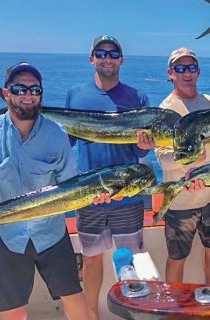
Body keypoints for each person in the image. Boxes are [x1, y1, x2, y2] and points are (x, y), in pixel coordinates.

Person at [0, 62, 88, 320]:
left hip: (52, 233)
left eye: (34, 89)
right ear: (6, 93)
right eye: (19, 88)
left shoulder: (57, 135)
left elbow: (72, 186)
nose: (28, 95)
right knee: (10, 311)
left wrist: (95, 197)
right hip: (8, 233)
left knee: (74, 297)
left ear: (41, 94)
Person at [65, 35, 155, 320]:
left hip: (127, 197)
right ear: (92, 58)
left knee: (130, 262)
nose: (107, 57)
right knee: (91, 262)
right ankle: (92, 315)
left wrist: (144, 148)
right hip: (89, 195)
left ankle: (134, 313)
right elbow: (66, 146)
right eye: (101, 53)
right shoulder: (75, 95)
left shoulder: (138, 98)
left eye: (113, 53)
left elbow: (142, 157)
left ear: (121, 60)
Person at [155, 47, 210, 284]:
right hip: (180, 201)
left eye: (191, 68)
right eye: (180, 68)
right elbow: (163, 158)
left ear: (198, 72)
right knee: (177, 257)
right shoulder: (164, 110)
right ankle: (175, 307)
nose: (187, 73)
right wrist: (190, 162)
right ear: (170, 73)